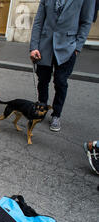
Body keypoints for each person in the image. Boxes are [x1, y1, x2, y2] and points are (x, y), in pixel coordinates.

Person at [30, 0, 95, 132]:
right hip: (45, 45)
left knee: (60, 81)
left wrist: (77, 47)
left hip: (68, 47)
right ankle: (42, 108)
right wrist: (34, 47)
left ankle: (56, 115)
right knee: (43, 80)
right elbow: (38, 21)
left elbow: (86, 22)